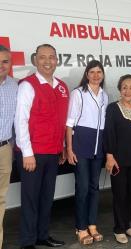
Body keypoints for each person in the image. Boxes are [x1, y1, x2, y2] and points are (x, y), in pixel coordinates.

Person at [14, 44, 68, 249]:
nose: (47, 61)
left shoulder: (62, 86)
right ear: (35, 60)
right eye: (43, 57)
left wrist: (62, 146)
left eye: (52, 57)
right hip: (32, 153)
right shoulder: (27, 85)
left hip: (53, 152)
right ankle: (28, 241)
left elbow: (61, 120)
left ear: (57, 60)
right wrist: (27, 153)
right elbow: (21, 121)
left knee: (47, 198)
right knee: (30, 199)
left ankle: (42, 236)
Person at [65, 60, 108, 245]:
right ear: (86, 74)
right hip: (81, 145)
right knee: (82, 188)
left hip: (98, 147)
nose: (96, 75)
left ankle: (92, 224)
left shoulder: (105, 95)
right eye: (92, 72)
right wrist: (69, 148)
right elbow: (69, 124)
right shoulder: (78, 93)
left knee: (94, 188)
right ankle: (81, 227)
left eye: (99, 72)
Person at [104, 74, 131, 244]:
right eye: (124, 87)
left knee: (130, 194)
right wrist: (110, 156)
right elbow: (109, 133)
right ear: (120, 89)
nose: (127, 90)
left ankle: (127, 225)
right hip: (118, 159)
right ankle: (118, 229)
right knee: (119, 194)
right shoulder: (113, 108)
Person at [0, 45, 18, 248]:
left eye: (5, 61)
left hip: (4, 150)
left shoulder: (15, 86)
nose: (1, 65)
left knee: (0, 200)